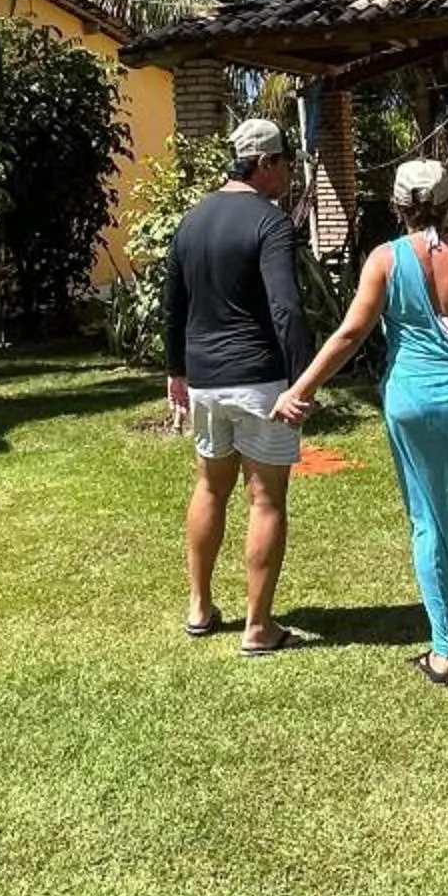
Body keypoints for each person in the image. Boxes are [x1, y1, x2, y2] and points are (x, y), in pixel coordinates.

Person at [277, 158, 448, 686]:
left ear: (397, 205)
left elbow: (349, 334)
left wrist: (302, 388)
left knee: (431, 518)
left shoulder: (384, 260)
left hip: (413, 402)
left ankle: (445, 649)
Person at [165, 116, 312, 655]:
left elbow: (173, 303)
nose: (287, 175)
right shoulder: (270, 223)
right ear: (266, 163)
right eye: (284, 165)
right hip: (258, 380)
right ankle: (257, 627)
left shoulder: (192, 219)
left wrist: (175, 370)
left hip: (204, 380)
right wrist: (302, 381)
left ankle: (199, 609)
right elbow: (286, 307)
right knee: (266, 498)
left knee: (209, 487)